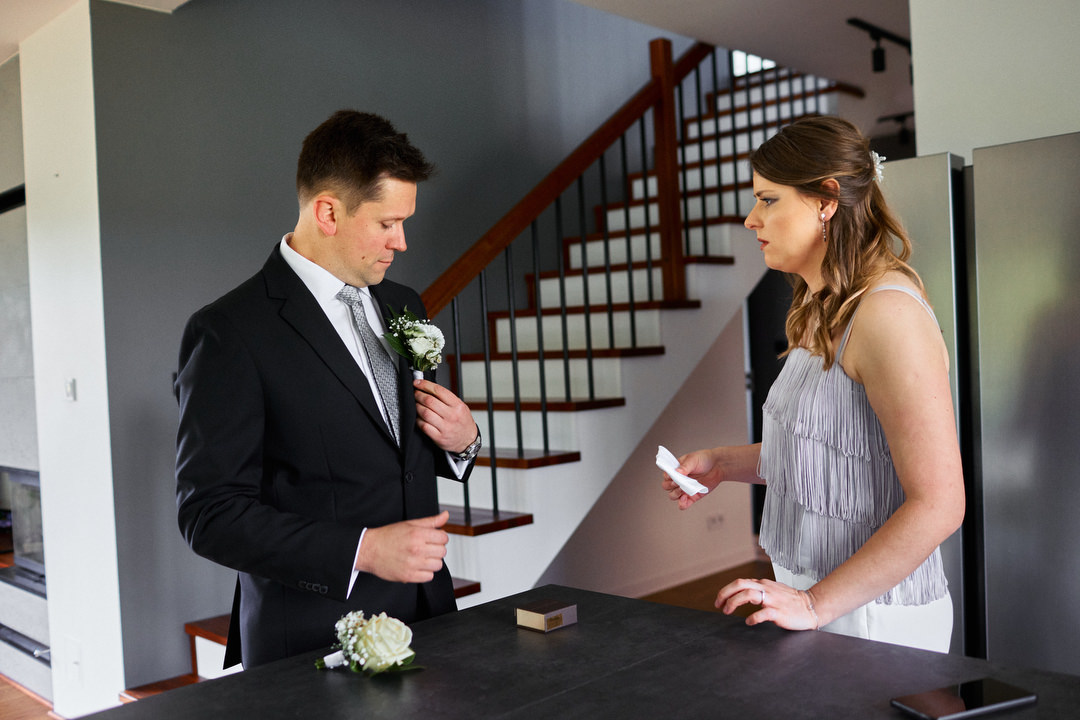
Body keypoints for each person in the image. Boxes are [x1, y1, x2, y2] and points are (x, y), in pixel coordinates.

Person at [175, 110, 482, 669]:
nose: (402, 242)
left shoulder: (404, 303)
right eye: (388, 223)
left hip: (428, 614)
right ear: (328, 212)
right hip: (312, 638)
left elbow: (399, 452)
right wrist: (362, 550)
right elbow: (210, 515)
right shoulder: (229, 331)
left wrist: (463, 443)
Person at [661, 116, 965, 653]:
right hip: (820, 601)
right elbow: (832, 455)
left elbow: (939, 504)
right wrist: (724, 463)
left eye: (768, 199)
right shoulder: (823, 307)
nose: (752, 219)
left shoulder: (888, 314)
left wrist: (815, 603)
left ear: (826, 200)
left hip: (874, 617)